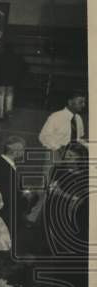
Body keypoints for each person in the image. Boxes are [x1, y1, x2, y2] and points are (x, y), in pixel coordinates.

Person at [31, 92, 86, 223]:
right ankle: (33, 216)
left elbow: (78, 138)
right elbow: (43, 137)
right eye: (80, 102)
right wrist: (59, 148)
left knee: (69, 184)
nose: (83, 105)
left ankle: (66, 218)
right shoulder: (56, 117)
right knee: (47, 186)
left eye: (84, 102)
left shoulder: (78, 119)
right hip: (54, 154)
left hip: (71, 157)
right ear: (70, 101)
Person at [44, 141, 89, 256]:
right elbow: (50, 190)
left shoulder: (87, 174)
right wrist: (52, 189)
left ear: (80, 158)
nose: (67, 159)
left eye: (71, 156)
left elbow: (82, 200)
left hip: (77, 216)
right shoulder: (58, 169)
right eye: (66, 155)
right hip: (56, 212)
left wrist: (61, 193)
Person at [0, 135, 27, 229]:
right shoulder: (4, 167)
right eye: (23, 149)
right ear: (16, 150)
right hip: (3, 215)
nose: (24, 152)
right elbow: (7, 194)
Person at [0, 42, 25, 120]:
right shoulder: (17, 57)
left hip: (0, 80)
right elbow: (23, 68)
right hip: (11, 81)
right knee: (9, 97)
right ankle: (8, 114)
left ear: (4, 48)